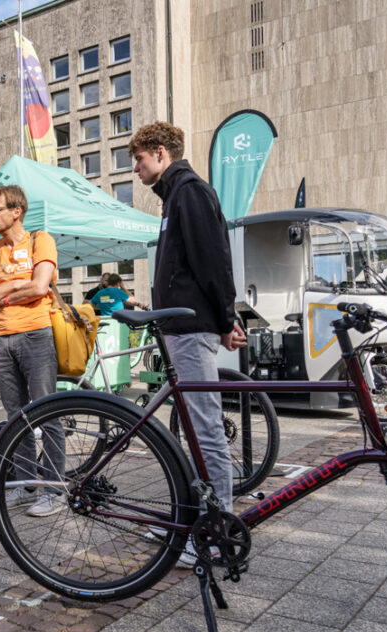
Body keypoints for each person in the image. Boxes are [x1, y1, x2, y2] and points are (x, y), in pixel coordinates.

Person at [129, 121, 246, 565]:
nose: (136, 170)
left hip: (192, 327)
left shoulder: (190, 191)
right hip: (183, 327)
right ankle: (194, 518)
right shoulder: (175, 195)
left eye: (139, 160)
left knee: (206, 430)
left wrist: (225, 319)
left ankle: (217, 533)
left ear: (161, 153)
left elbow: (213, 261)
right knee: (195, 431)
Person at [0, 184, 65, 517]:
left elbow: (41, 285)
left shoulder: (41, 240)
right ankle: (26, 486)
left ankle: (55, 490)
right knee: (16, 418)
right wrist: (15, 286)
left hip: (37, 333)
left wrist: (1, 292)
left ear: (16, 211)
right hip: (2, 338)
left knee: (47, 414)